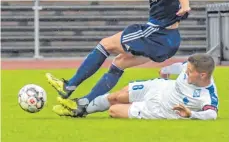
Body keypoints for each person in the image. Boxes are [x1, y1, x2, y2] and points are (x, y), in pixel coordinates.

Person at [46, 0, 191, 117]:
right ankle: (82, 105)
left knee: (105, 44)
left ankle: (68, 86)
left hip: (156, 33)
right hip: (170, 40)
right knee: (119, 63)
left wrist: (185, 5)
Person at [53, 54, 219, 120]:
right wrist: (166, 70)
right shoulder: (189, 67)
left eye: (190, 72)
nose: (186, 73)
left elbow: (212, 114)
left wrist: (192, 114)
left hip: (159, 110)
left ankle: (82, 109)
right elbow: (180, 66)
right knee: (116, 96)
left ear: (202, 75)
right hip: (159, 87)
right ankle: (80, 110)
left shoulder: (208, 94)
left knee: (114, 110)